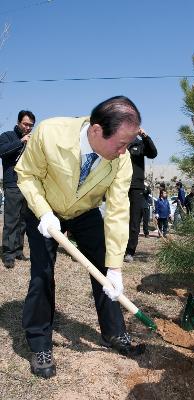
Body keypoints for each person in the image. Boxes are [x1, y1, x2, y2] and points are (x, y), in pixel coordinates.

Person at [15, 96, 145, 379]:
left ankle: (114, 334)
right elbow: (25, 175)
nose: (125, 152)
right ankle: (39, 343)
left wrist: (115, 267)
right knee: (42, 273)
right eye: (121, 144)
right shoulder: (50, 132)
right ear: (97, 130)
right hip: (45, 208)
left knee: (103, 269)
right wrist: (44, 213)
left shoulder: (120, 161)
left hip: (84, 211)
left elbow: (118, 211)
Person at [0, 110, 35, 268]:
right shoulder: (7, 136)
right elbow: (2, 151)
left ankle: (18, 249)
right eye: (25, 124)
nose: (28, 127)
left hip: (27, 184)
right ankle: (8, 252)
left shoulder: (32, 140)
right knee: (11, 219)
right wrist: (21, 141)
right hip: (12, 183)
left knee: (23, 219)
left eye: (31, 125)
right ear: (18, 122)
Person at [124, 128, 157, 262]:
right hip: (119, 185)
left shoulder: (140, 144)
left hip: (136, 187)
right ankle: (115, 248)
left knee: (134, 221)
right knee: (118, 218)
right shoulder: (119, 144)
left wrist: (145, 136)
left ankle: (130, 251)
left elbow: (153, 153)